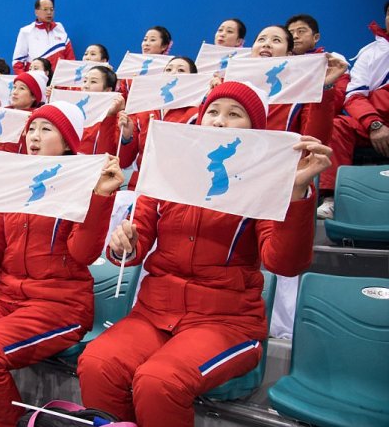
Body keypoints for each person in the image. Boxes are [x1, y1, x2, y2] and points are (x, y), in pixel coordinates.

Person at [77, 81, 332, 426]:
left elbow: (284, 264)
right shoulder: (170, 172)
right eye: (212, 111)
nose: (219, 121)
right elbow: (133, 247)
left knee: (158, 381)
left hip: (227, 322)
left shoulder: (265, 182)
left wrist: (297, 192)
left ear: (256, 130)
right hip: (154, 314)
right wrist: (124, 244)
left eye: (234, 114)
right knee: (97, 363)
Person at [0, 101, 123, 427]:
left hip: (60, 304)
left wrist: (101, 198)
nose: (34, 135)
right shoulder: (16, 180)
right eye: (31, 128)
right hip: (7, 298)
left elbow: (83, 254)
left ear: (67, 142)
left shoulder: (84, 182)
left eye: (46, 129)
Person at [317, 1, 389, 219]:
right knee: (337, 125)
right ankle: (331, 200)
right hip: (375, 125)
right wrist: (375, 124)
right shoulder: (370, 54)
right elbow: (354, 96)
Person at [118, 57, 201, 189]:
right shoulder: (143, 110)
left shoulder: (196, 114)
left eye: (181, 70)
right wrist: (126, 138)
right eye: (168, 69)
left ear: (192, 80)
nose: (173, 73)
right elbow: (124, 161)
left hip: (177, 187)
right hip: (141, 184)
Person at [12, 0, 75, 74]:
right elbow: (17, 62)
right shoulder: (26, 31)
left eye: (51, 9)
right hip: (37, 80)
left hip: (58, 80)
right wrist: (26, 81)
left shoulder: (59, 28)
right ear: (36, 12)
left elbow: (70, 58)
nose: (49, 12)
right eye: (45, 9)